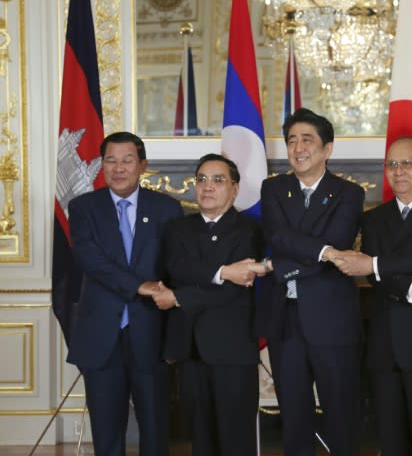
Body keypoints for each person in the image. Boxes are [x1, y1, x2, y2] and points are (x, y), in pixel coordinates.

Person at [332, 137, 412, 456]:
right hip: (385, 344)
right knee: (391, 442)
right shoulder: (375, 218)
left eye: (407, 164)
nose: (398, 171)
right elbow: (376, 279)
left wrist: (378, 266)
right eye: (392, 164)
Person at [67, 131, 183, 456]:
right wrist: (139, 285)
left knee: (156, 429)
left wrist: (174, 339)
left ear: (142, 165)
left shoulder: (167, 209)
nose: (118, 168)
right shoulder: (83, 207)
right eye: (111, 161)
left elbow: (175, 272)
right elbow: (91, 260)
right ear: (102, 165)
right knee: (106, 433)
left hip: (152, 335)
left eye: (127, 160)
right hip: (102, 335)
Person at [261, 108, 365, 456]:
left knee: (341, 413)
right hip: (285, 319)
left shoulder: (349, 193)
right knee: (294, 416)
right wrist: (326, 253)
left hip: (332, 319)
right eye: (292, 141)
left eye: (307, 140)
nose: (298, 147)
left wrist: (280, 266)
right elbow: (277, 235)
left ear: (327, 149)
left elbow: (338, 237)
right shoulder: (273, 187)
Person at [150, 153, 266, 456]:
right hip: (189, 348)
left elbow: (235, 292)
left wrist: (179, 296)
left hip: (233, 349)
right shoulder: (177, 229)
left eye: (218, 180)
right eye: (201, 179)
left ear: (235, 188)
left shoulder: (250, 231)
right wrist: (225, 272)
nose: (207, 187)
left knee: (235, 439)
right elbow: (177, 269)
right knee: (200, 439)